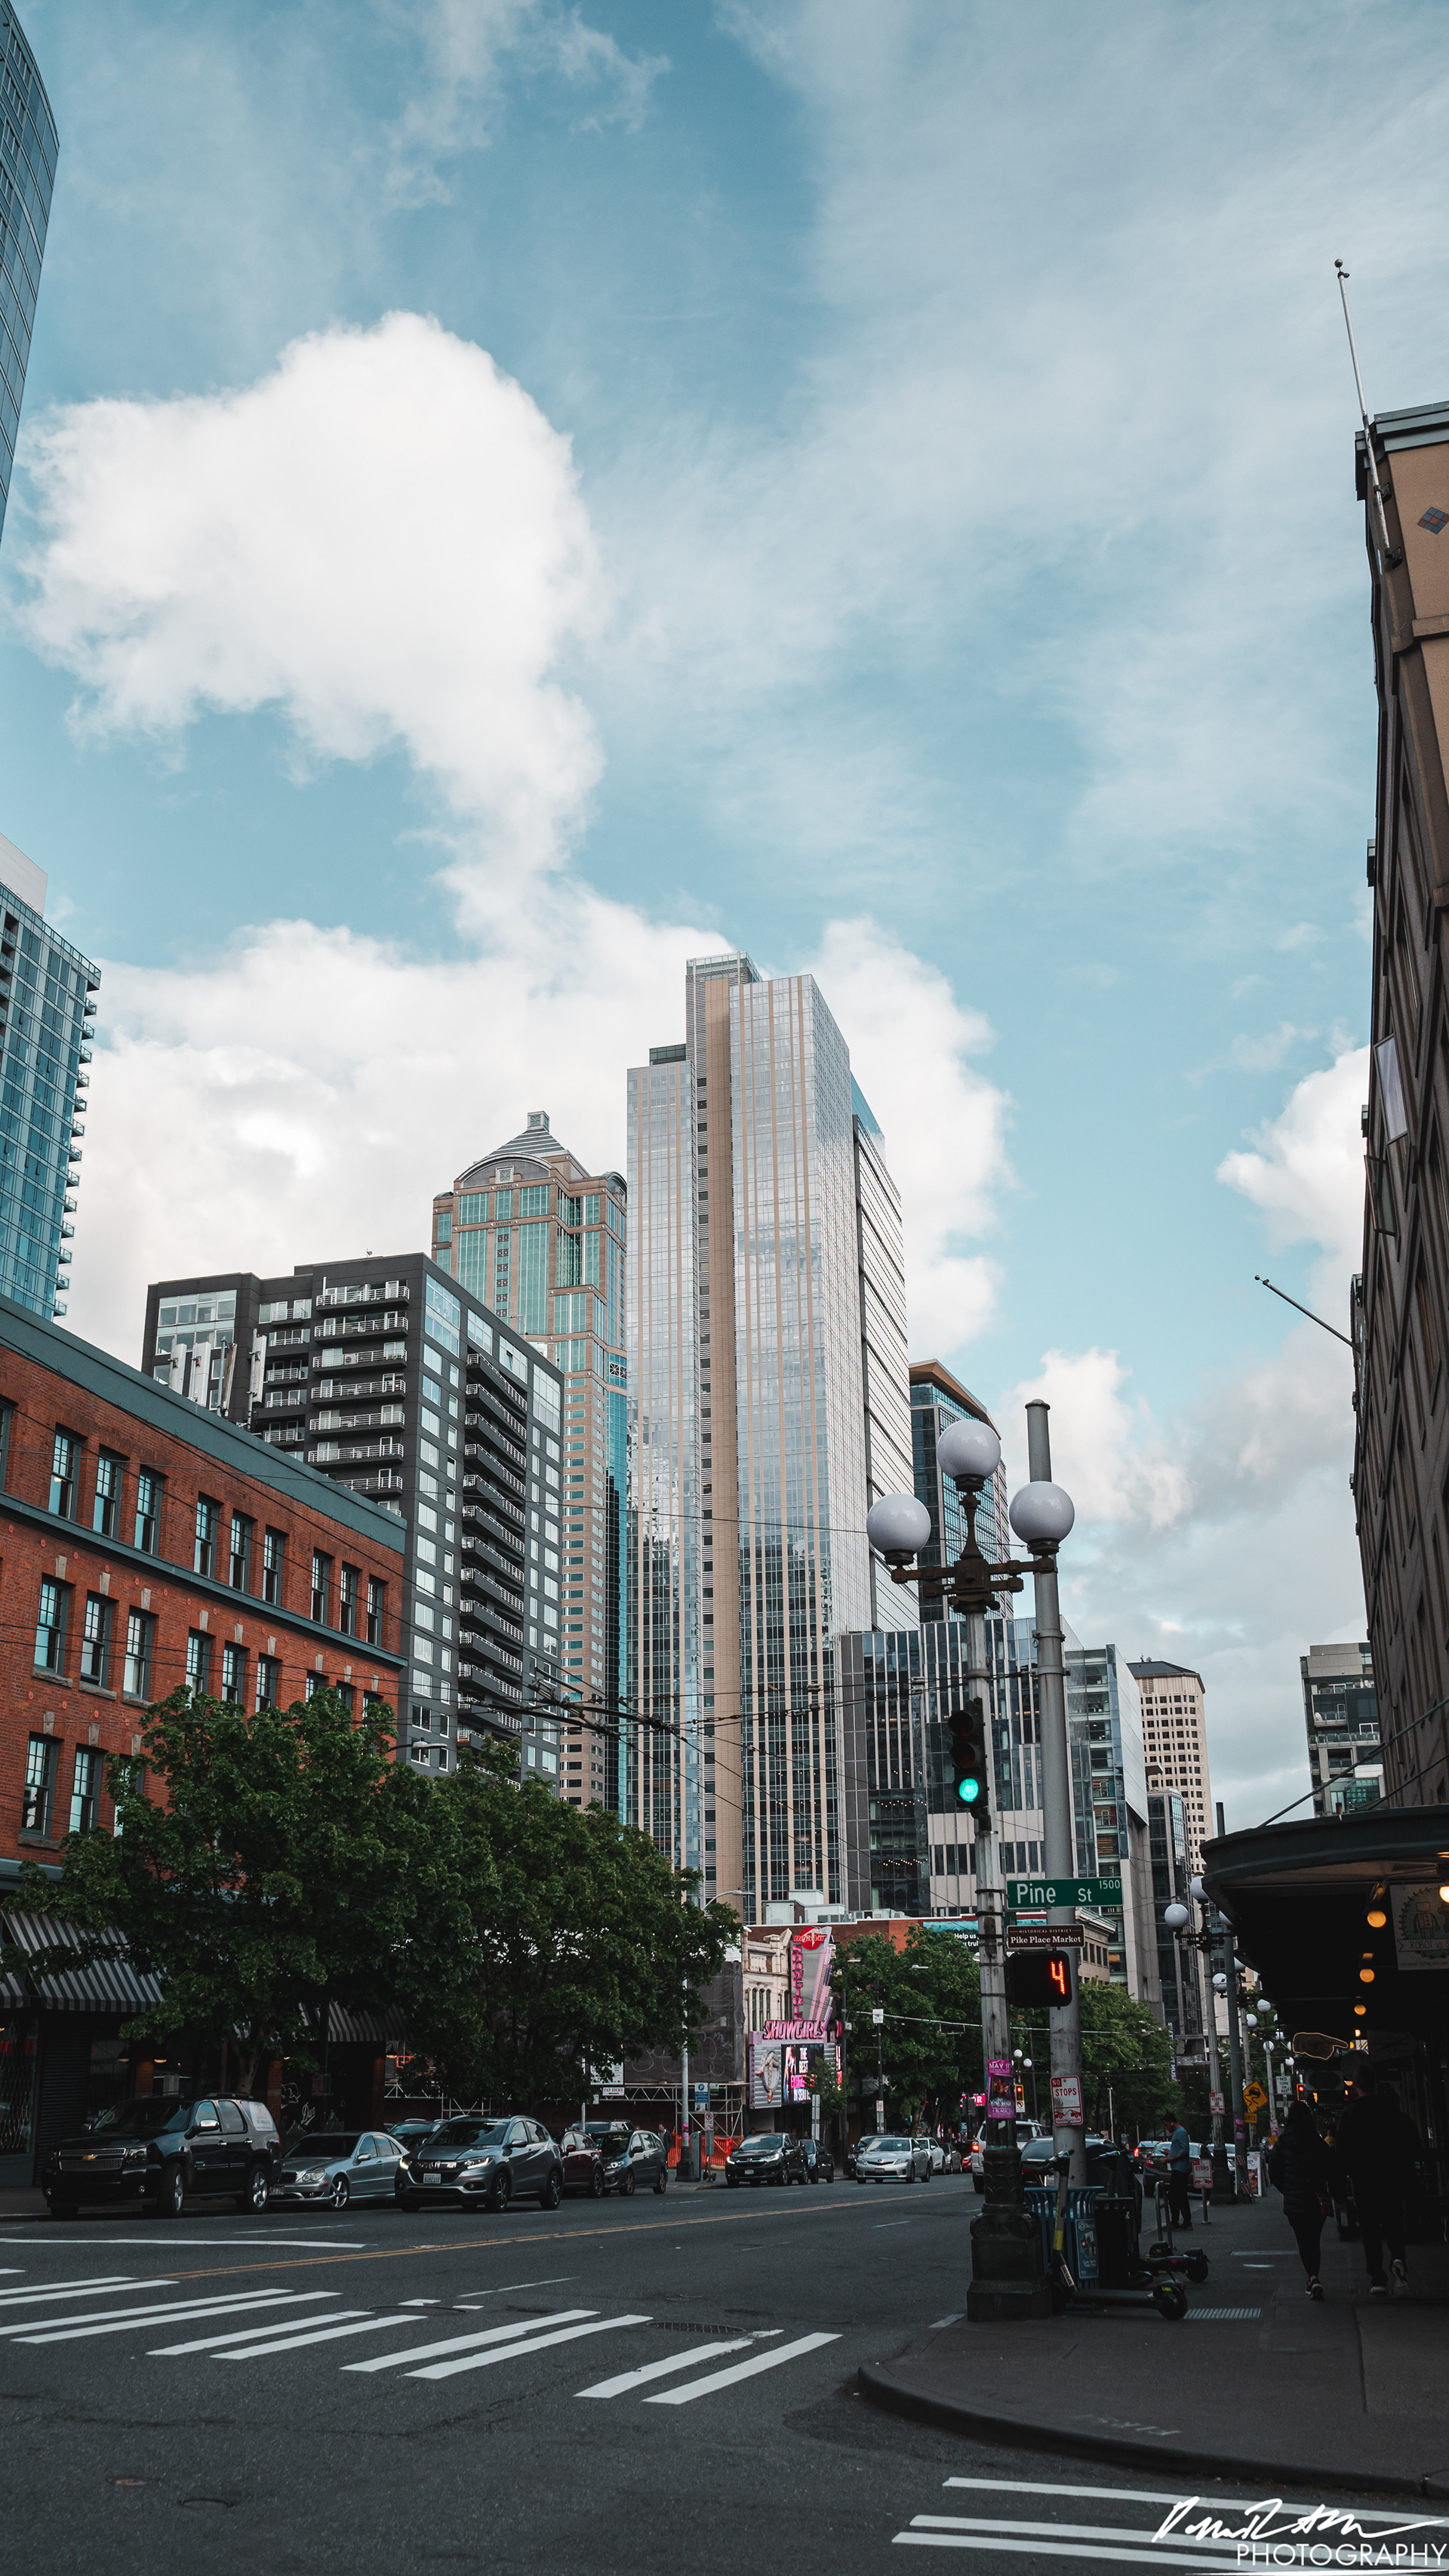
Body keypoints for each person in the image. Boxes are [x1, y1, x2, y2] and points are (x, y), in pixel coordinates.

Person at [1336, 2066, 1416, 2297]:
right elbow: (1410, 2145)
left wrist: (1339, 2190)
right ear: (1376, 2085)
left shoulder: (1349, 2114)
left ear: (1356, 2086)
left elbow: (1342, 2154)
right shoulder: (1393, 2112)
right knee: (1394, 2226)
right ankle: (1398, 2262)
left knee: (1369, 2230)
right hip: (1392, 2179)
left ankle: (1377, 2278)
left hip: (1364, 2182)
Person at [1268, 2101, 1330, 2298]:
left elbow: (1273, 2172)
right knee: (1314, 2240)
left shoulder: (1283, 2143)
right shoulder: (1318, 2141)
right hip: (1316, 2199)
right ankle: (1314, 2277)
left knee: (1303, 2241)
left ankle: (1312, 2278)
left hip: (1295, 2202)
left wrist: (1287, 2190)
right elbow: (1330, 2168)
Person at [1167, 2118, 1193, 2230]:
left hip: (1180, 2169)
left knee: (1175, 2196)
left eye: (1167, 2125)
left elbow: (1185, 2150)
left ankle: (1178, 2221)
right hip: (1178, 2168)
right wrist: (1170, 2153)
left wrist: (1172, 2158)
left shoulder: (1180, 2132)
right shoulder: (1178, 2132)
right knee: (1179, 2196)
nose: (1167, 2128)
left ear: (1172, 2122)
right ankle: (1182, 2221)